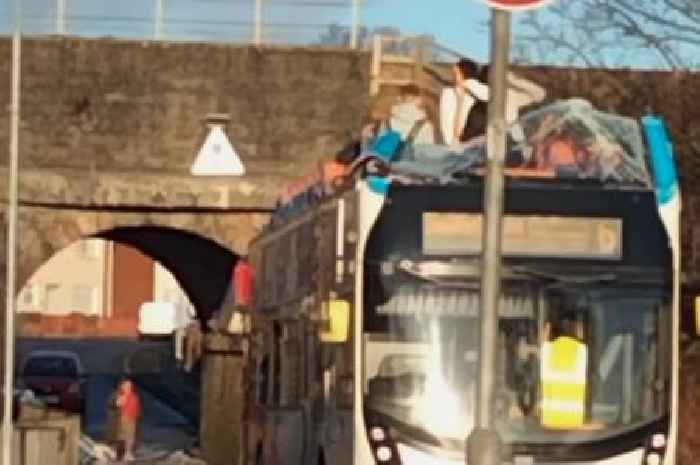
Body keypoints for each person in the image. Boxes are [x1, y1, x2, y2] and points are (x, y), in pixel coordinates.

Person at [540, 313, 588, 429]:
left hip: (549, 424)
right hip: (575, 423)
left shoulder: (548, 349)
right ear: (576, 329)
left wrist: (548, 327)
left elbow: (544, 339)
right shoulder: (581, 350)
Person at [439, 58, 489, 146]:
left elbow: (488, 95)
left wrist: (467, 83)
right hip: (459, 141)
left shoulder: (473, 88)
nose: (453, 77)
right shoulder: (450, 93)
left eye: (456, 74)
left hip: (469, 141)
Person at [116, 378, 141, 461]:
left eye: (130, 385)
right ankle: (123, 454)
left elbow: (137, 407)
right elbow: (118, 404)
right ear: (123, 386)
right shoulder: (123, 395)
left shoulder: (134, 395)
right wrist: (123, 396)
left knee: (131, 437)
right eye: (127, 385)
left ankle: (128, 453)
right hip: (126, 417)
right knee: (125, 436)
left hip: (132, 417)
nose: (129, 387)